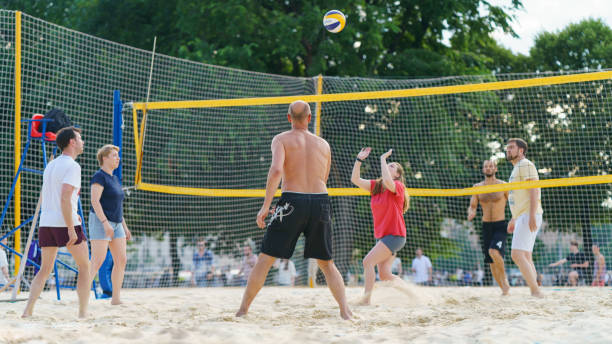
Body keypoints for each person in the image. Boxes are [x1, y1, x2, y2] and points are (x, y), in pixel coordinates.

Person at [236, 100, 351, 320]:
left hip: (291, 202)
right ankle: (345, 311)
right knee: (327, 264)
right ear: (309, 118)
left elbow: (277, 169)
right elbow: (323, 178)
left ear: (289, 118)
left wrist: (266, 206)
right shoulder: (324, 145)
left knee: (266, 259)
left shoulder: (281, 139)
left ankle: (243, 310)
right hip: (320, 200)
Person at [22, 127, 91, 318]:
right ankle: (83, 313)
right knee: (85, 266)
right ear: (72, 142)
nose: (82, 141)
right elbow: (65, 197)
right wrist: (71, 227)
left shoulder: (51, 165)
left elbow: (55, 197)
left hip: (46, 222)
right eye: (80, 138)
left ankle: (28, 311)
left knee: (44, 269)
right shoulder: (73, 166)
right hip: (64, 222)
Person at [351, 147, 409, 305]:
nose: (389, 166)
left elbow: (388, 181)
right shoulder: (376, 187)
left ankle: (366, 300)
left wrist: (383, 159)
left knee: (367, 262)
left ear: (397, 174)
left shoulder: (397, 186)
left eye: (392, 166)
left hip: (395, 235)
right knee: (384, 274)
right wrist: (359, 160)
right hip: (384, 237)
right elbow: (355, 179)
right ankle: (411, 293)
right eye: (388, 164)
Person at [88, 144, 132, 305]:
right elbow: (94, 201)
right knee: (97, 261)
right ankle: (82, 298)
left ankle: (116, 298)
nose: (118, 158)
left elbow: (117, 206)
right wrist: (105, 223)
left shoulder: (115, 178)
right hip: (101, 221)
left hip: (117, 222)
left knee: (121, 260)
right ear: (104, 158)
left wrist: (124, 227)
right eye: (114, 155)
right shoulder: (99, 177)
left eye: (117, 156)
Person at [505, 138, 544, 298]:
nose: (508, 150)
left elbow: (533, 190)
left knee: (517, 254)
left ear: (521, 150)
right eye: (507, 148)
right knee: (526, 255)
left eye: (511, 147)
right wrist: (514, 218)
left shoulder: (525, 164)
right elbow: (518, 197)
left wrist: (532, 215)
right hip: (523, 214)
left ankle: (536, 291)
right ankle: (537, 288)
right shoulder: (517, 168)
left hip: (529, 213)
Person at [467, 159, 511, 295]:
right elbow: (472, 206)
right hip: (486, 225)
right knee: (490, 260)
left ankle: (504, 279)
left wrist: (515, 219)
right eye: (486, 166)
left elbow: (513, 203)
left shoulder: (503, 185)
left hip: (500, 224)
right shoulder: (477, 187)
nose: (488, 168)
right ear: (483, 169)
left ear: (495, 169)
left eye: (491, 166)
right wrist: (471, 213)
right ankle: (503, 289)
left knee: (494, 251)